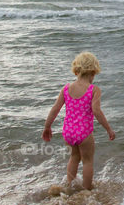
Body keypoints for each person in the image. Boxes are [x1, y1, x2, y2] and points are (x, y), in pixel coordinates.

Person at [43, 52, 115, 190]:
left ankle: (70, 186)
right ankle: (86, 191)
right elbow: (97, 111)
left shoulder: (66, 88)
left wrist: (47, 127)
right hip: (84, 133)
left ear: (76, 71)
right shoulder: (94, 90)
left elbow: (55, 108)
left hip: (68, 132)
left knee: (74, 157)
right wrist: (108, 129)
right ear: (93, 72)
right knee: (87, 161)